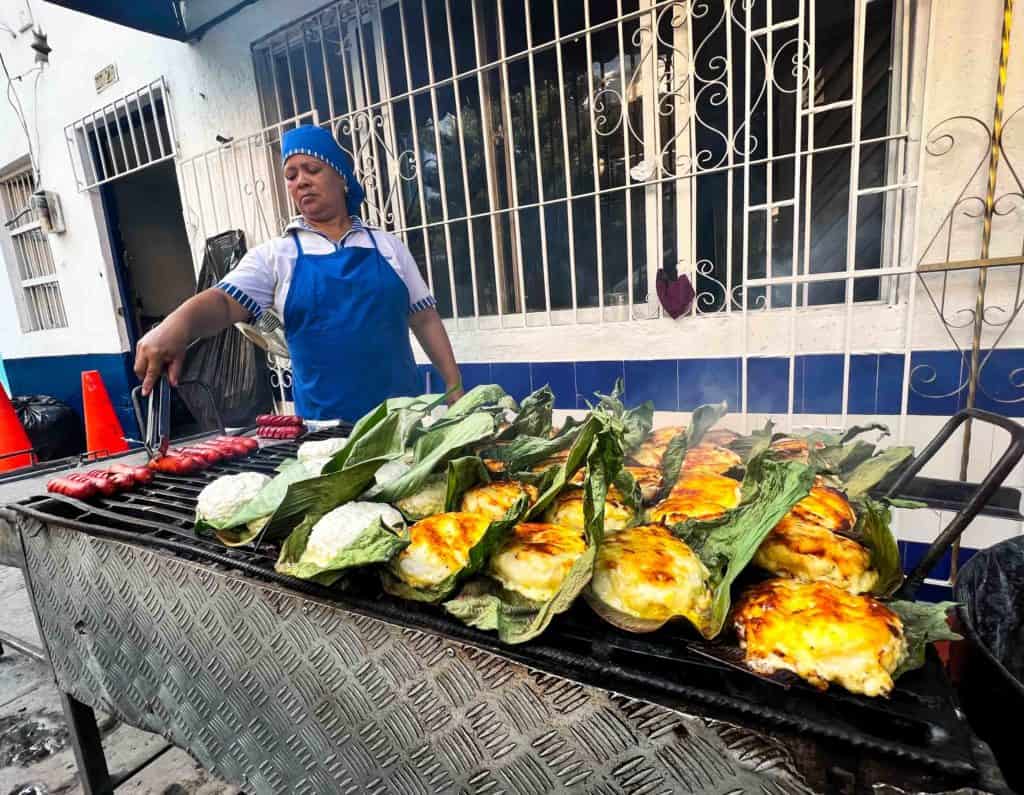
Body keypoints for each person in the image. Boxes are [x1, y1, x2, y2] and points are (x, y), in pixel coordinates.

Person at [134, 124, 463, 420]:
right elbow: (222, 301)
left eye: (312, 169)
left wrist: (454, 387)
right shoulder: (278, 255)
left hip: (402, 421)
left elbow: (424, 318)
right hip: (325, 434)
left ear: (342, 177)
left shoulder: (388, 247)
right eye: (291, 175)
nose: (301, 180)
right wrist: (176, 325)